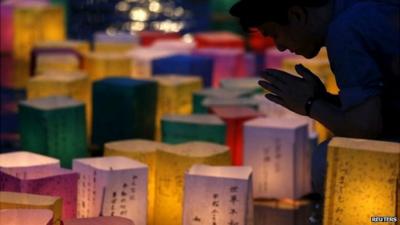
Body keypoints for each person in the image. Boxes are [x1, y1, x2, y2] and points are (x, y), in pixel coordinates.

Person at [229, 0, 400, 195]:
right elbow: (379, 111)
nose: (280, 47)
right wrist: (323, 99)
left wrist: (310, 105)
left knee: (327, 160)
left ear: (297, 15)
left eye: (275, 34)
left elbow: (365, 128)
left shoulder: (345, 31)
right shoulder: (360, 9)